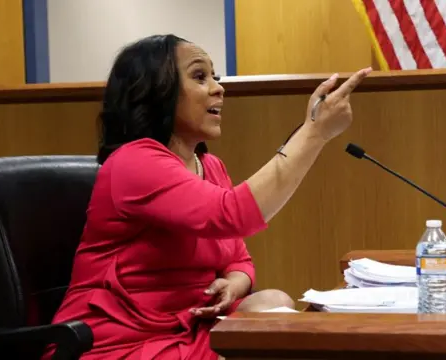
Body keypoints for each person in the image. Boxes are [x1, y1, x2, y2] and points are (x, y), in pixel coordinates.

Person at [42, 34, 371, 360]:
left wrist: (234, 283)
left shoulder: (210, 166)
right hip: (119, 343)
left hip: (188, 327)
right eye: (200, 76)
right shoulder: (134, 162)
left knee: (274, 301)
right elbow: (234, 214)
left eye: (215, 76)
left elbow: (238, 256)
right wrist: (314, 134)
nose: (218, 87)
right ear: (157, 92)